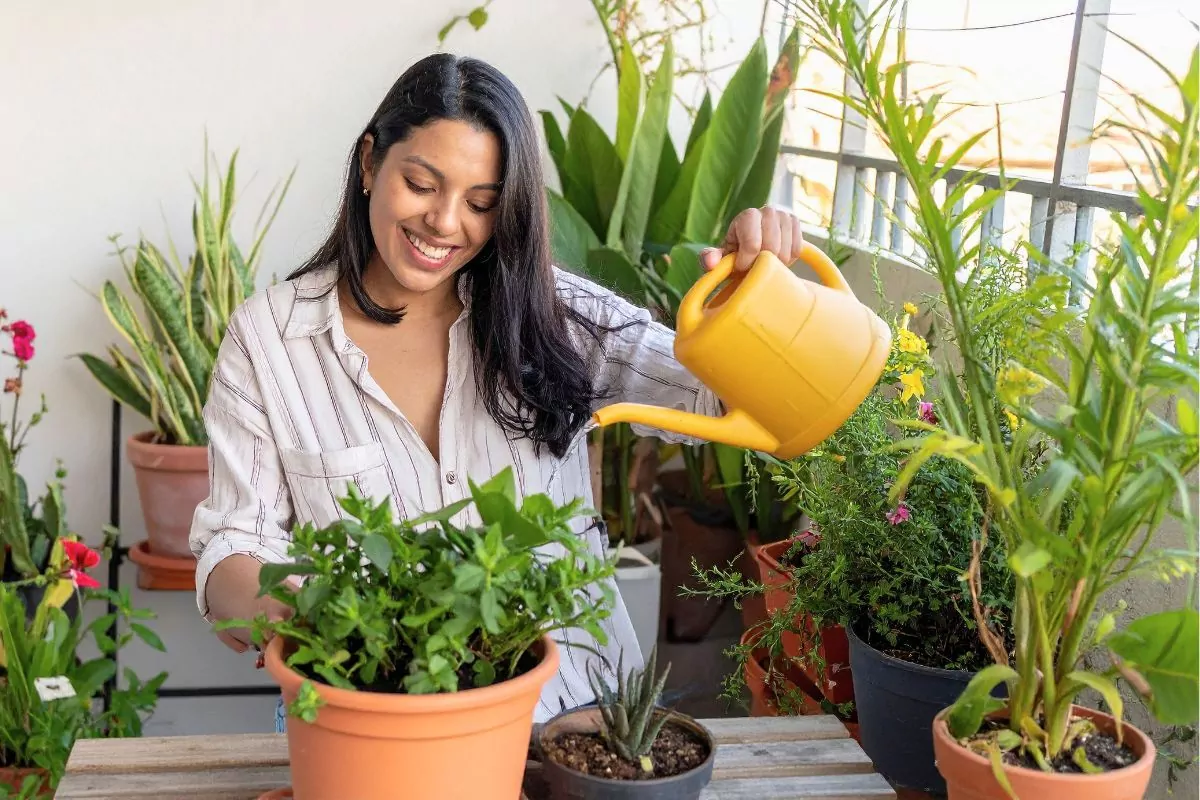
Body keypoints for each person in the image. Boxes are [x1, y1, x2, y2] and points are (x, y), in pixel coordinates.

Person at [188, 52, 808, 733]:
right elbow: (232, 543)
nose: (445, 222)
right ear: (369, 163)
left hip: (578, 720)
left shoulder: (558, 317)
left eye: (481, 203)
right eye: (421, 185)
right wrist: (313, 616)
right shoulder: (271, 339)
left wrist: (755, 296)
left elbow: (730, 400)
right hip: (369, 721)